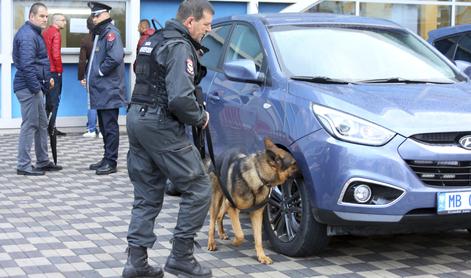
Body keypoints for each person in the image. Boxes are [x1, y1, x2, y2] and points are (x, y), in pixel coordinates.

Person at [123, 0, 213, 277]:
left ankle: (136, 264)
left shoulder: (155, 40)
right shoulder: (179, 46)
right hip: (159, 123)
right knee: (199, 186)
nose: (208, 30)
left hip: (137, 118)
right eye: (206, 24)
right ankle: (181, 257)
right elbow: (180, 98)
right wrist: (200, 117)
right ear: (190, 22)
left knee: (148, 194)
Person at [13, 2, 62, 176]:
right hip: (28, 87)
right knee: (31, 124)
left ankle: (42, 161)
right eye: (41, 16)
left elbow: (38, 62)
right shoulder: (27, 36)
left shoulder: (35, 34)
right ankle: (23, 165)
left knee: (41, 124)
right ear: (31, 16)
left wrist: (46, 78)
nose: (45, 19)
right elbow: (26, 66)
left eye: (46, 16)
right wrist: (36, 88)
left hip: (35, 85)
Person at [85, 1, 126, 175]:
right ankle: (106, 158)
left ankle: (111, 161)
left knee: (109, 127)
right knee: (104, 126)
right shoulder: (100, 34)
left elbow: (115, 57)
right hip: (102, 90)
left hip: (109, 89)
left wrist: (99, 71)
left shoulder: (110, 33)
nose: (93, 19)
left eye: (95, 15)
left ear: (104, 14)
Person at [42, 13, 67, 136]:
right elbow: (55, 54)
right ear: (56, 21)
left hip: (45, 70)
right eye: (63, 20)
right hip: (54, 71)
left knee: (48, 101)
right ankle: (50, 129)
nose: (65, 23)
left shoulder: (46, 32)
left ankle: (47, 127)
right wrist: (58, 71)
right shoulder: (56, 33)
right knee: (54, 101)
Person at [78, 15, 101, 139]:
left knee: (91, 102)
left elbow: (82, 60)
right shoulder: (105, 37)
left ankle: (91, 129)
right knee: (104, 102)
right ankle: (103, 130)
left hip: (91, 73)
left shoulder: (85, 40)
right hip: (105, 74)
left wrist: (81, 77)